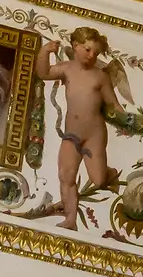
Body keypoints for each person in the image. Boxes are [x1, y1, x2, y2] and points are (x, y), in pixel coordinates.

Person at [44, 28, 121, 219]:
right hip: (72, 134)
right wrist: (45, 51)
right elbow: (43, 73)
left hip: (94, 134)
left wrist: (125, 121)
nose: (92, 55)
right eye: (87, 49)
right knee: (66, 175)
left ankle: (108, 173)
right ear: (75, 46)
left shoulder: (100, 76)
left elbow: (113, 103)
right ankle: (70, 219)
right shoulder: (66, 69)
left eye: (95, 52)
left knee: (98, 180)